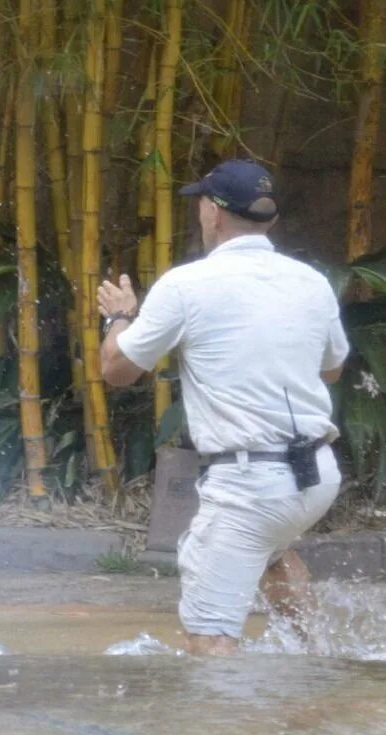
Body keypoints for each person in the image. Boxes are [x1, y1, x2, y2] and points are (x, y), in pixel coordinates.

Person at [96, 159, 349, 656]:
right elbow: (333, 368)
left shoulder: (187, 285)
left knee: (208, 642)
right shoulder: (311, 282)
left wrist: (121, 317)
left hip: (250, 486)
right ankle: (319, 666)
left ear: (212, 212)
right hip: (316, 476)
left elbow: (118, 371)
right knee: (273, 553)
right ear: (269, 219)